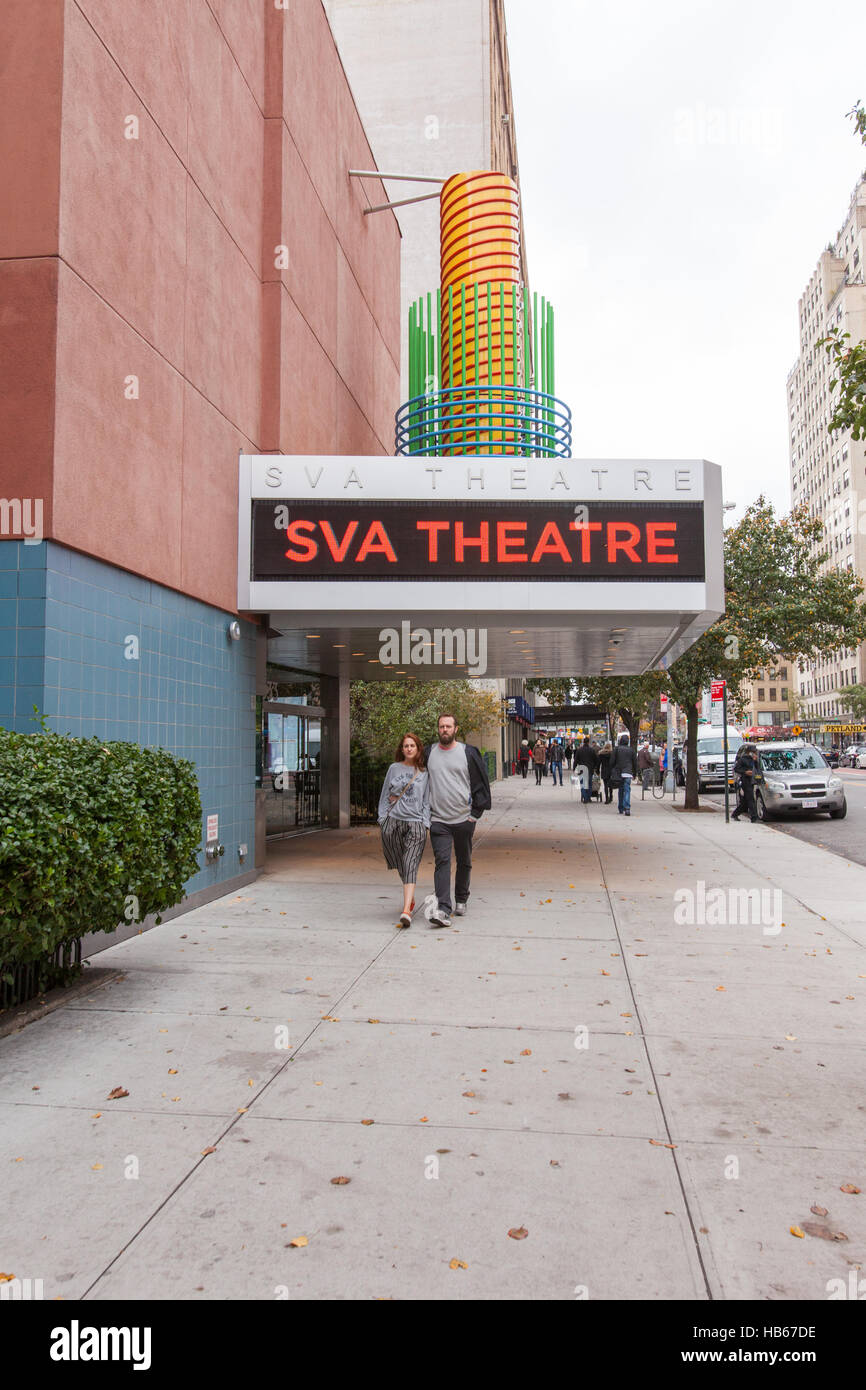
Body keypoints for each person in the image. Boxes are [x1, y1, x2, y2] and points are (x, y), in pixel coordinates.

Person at [421, 713, 492, 929]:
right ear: (438, 729)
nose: (444, 729)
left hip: (463, 818)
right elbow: (418, 779)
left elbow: (481, 782)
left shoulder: (468, 753)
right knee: (442, 861)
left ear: (456, 729)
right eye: (441, 726)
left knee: (464, 860)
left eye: (448, 726)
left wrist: (475, 814)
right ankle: (443, 908)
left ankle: (461, 898)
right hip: (438, 820)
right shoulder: (428, 752)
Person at [377, 733, 430, 928]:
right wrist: (382, 819)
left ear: (418, 749)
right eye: (406, 746)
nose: (409, 749)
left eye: (412, 746)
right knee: (400, 862)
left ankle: (406, 909)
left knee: (410, 862)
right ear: (402, 749)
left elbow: (427, 799)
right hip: (393, 822)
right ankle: (411, 897)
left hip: (415, 823)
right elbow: (384, 794)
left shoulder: (424, 772)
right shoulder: (394, 768)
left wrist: (425, 823)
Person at [731, 742, 760, 823]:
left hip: (753, 780)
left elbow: (757, 769)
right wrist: (745, 772)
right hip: (745, 780)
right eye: (753, 752)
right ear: (749, 752)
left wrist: (755, 761)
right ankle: (754, 817)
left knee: (745, 802)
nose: (754, 753)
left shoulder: (754, 759)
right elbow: (736, 769)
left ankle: (735, 814)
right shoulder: (743, 759)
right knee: (750, 799)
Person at [610, 733, 637, 815]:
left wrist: (612, 770)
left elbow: (612, 762)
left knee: (620, 790)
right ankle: (627, 808)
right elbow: (634, 763)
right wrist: (635, 773)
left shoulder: (616, 749)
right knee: (627, 790)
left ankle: (621, 808)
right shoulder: (631, 750)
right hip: (628, 773)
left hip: (619, 773)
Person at [574, 737, 598, 805]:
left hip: (582, 769)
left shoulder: (579, 750)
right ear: (588, 742)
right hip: (590, 769)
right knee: (589, 784)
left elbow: (576, 760)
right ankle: (588, 797)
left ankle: (585, 798)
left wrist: (574, 768)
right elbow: (596, 759)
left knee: (583, 785)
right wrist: (595, 767)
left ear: (583, 742)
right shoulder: (592, 750)